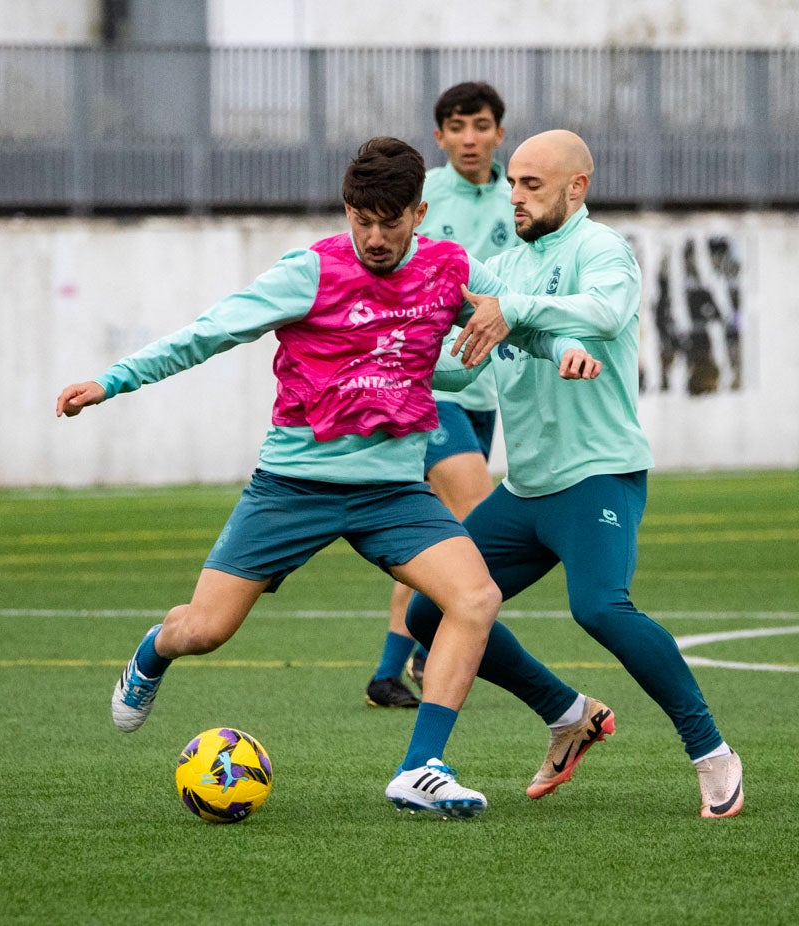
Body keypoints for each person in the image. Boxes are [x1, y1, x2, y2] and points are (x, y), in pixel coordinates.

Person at [56, 137, 602, 819]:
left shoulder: (447, 268)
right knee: (204, 629)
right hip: (293, 488)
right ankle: (151, 652)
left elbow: (514, 321)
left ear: (418, 212)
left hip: (393, 493)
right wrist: (111, 380)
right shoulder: (307, 272)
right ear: (347, 211)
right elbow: (208, 332)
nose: (374, 238)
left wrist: (570, 347)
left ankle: (419, 768)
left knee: (473, 598)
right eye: (360, 220)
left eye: (390, 222)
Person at [406, 130, 746, 819]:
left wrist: (517, 311)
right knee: (427, 609)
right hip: (525, 491)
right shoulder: (502, 267)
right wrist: (387, 366)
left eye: (533, 185)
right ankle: (567, 714)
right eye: (514, 185)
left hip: (597, 478)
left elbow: (606, 312)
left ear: (575, 187)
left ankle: (712, 754)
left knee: (597, 608)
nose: (517, 196)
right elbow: (463, 359)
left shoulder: (602, 250)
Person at [364, 81, 518, 709]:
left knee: (437, 532)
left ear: (498, 133)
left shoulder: (520, 197)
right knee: (479, 509)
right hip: (429, 388)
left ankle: (387, 672)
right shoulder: (420, 196)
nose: (470, 138)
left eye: (481, 125)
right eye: (457, 127)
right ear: (440, 137)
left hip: (486, 388)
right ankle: (440, 640)